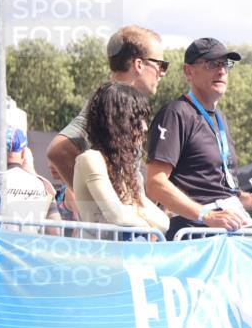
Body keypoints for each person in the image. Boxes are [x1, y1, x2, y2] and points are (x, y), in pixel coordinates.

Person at [146, 38, 252, 240]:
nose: (221, 71)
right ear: (188, 71)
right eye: (212, 64)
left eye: (225, 64)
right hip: (194, 236)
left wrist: (250, 200)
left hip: (228, 232)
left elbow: (214, 187)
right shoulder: (176, 113)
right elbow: (155, 183)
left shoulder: (220, 118)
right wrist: (206, 215)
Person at [47, 25, 168, 219]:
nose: (163, 72)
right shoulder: (109, 103)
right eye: (161, 65)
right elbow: (59, 150)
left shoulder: (122, 102)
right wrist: (97, 204)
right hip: (118, 234)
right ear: (138, 64)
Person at [73, 82, 168, 235]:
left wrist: (136, 213)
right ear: (117, 121)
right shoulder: (91, 159)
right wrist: (142, 216)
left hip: (124, 254)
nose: (144, 127)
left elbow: (164, 222)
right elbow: (118, 217)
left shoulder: (126, 168)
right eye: (137, 119)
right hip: (98, 256)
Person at [0, 128, 59, 232]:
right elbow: (55, 231)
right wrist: (32, 171)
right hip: (30, 247)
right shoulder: (45, 186)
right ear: (24, 153)